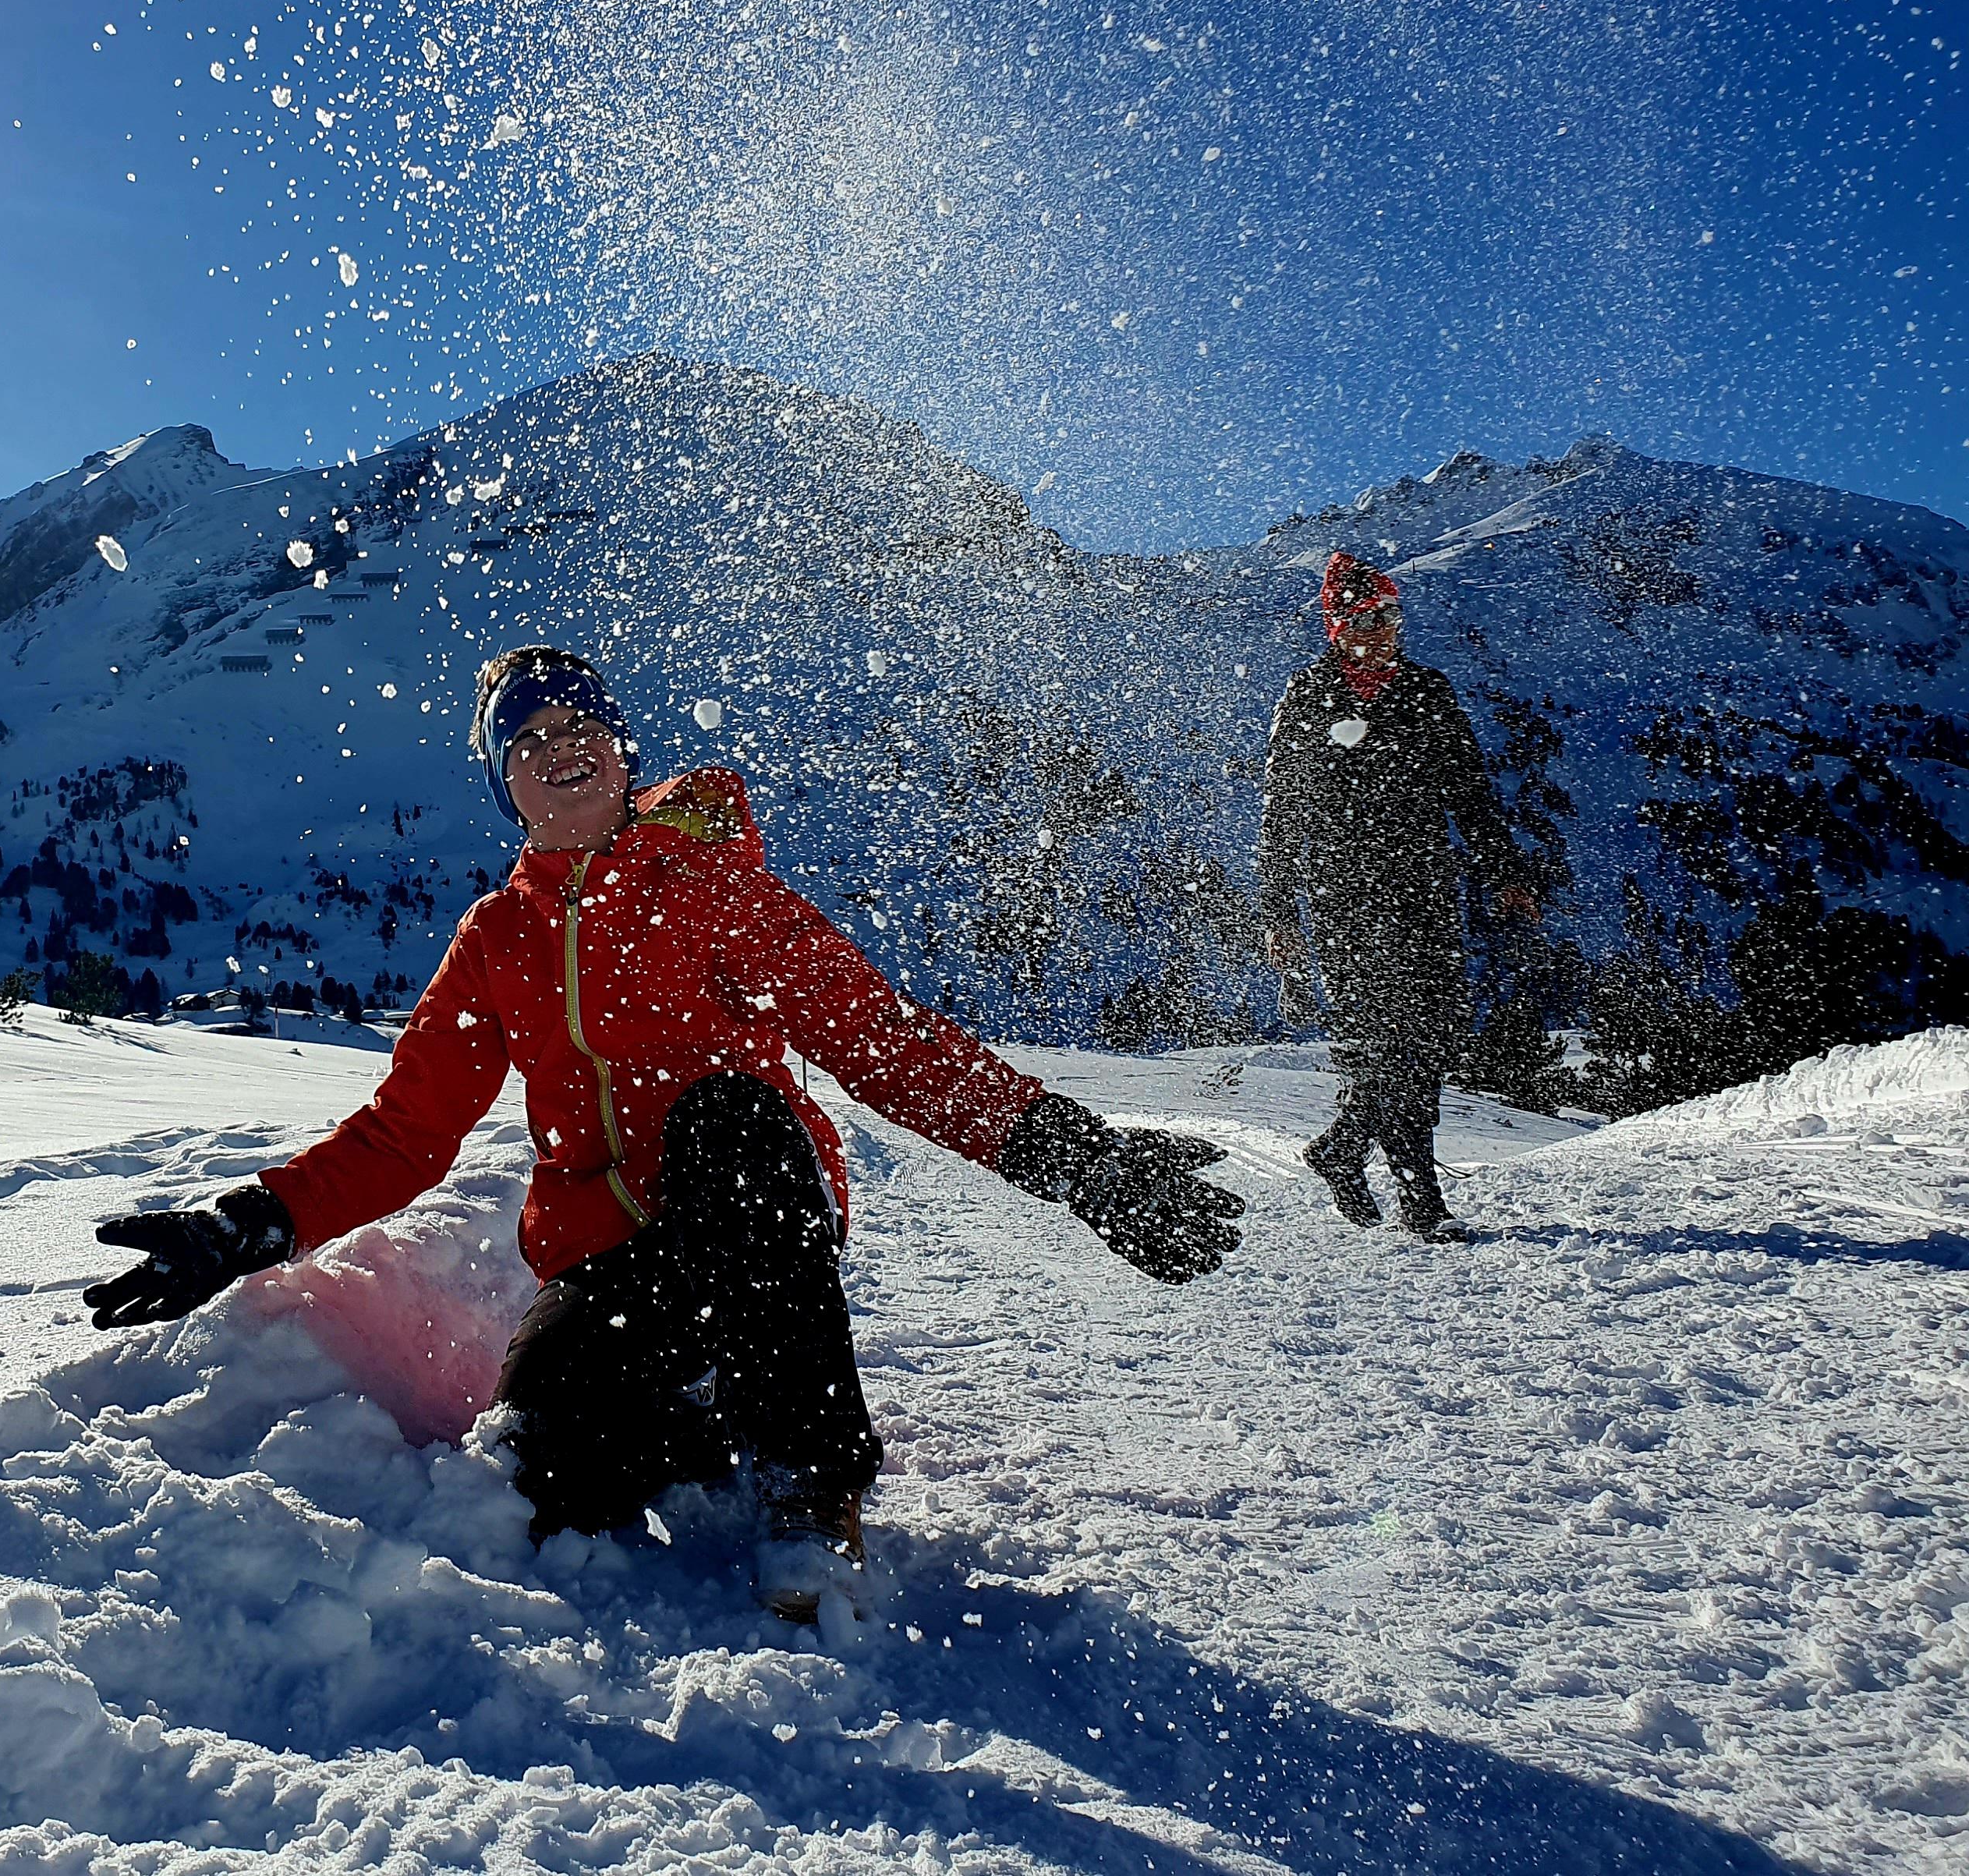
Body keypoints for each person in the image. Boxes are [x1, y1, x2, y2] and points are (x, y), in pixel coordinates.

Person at [86, 645, 1245, 1622]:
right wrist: (251, 1223)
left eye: (577, 719)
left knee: (728, 1121)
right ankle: (693, 1408)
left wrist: (1084, 1162)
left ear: (623, 747)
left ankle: (808, 1476)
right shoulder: (497, 939)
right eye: (524, 739)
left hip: (755, 1216)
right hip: (611, 1260)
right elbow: (406, 1130)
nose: (557, 744)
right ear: (507, 789)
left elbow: (880, 1042)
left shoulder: (706, 889)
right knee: (545, 1473)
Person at [1260, 554, 1538, 1243]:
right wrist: (1278, 911)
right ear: (1337, 626)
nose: (1382, 631)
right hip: (1342, 892)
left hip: (1422, 887)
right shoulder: (1307, 698)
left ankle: (1343, 1149)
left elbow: (1468, 792)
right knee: (1381, 1039)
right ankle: (1420, 1196)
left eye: (1390, 617)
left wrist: (1506, 871)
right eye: (1366, 619)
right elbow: (1283, 812)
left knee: (1431, 1032)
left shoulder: (1427, 691)